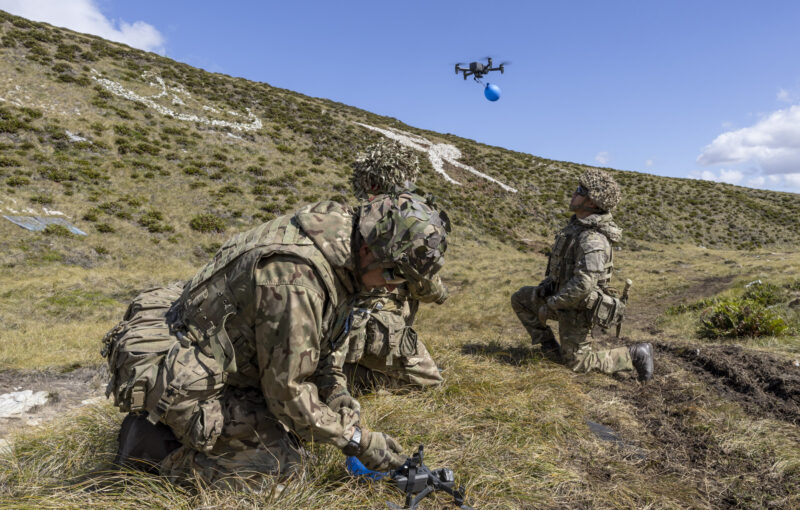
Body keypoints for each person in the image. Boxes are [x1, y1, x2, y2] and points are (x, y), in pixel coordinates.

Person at [102, 191, 450, 487]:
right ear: (368, 249)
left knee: (299, 434)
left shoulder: (344, 246)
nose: (391, 287)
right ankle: (150, 450)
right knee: (281, 469)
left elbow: (328, 345)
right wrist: (357, 441)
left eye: (403, 283)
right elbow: (287, 393)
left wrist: (337, 394)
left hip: (237, 357)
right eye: (391, 274)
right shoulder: (297, 279)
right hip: (189, 370)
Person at [510, 169, 654, 381]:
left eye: (580, 191)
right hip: (563, 298)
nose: (573, 194)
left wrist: (551, 305)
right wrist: (546, 288)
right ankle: (550, 351)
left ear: (593, 203)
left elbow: (584, 284)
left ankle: (634, 354)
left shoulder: (592, 238)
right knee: (521, 298)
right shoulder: (576, 228)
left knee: (579, 363)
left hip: (578, 307)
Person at [345, 140, 448, 390]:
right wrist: (440, 292)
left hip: (346, 321)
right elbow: (427, 288)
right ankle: (344, 377)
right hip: (376, 326)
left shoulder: (353, 217)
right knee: (430, 383)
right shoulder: (406, 222)